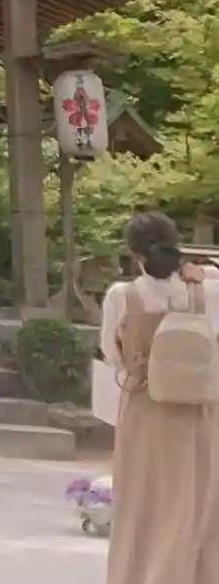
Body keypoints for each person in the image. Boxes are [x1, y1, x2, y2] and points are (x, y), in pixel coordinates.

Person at [101, 211, 219, 584]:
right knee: (195, 504)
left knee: (142, 503)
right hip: (199, 411)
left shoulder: (122, 296)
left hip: (146, 406)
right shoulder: (208, 291)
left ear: (134, 253)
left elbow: (112, 354)